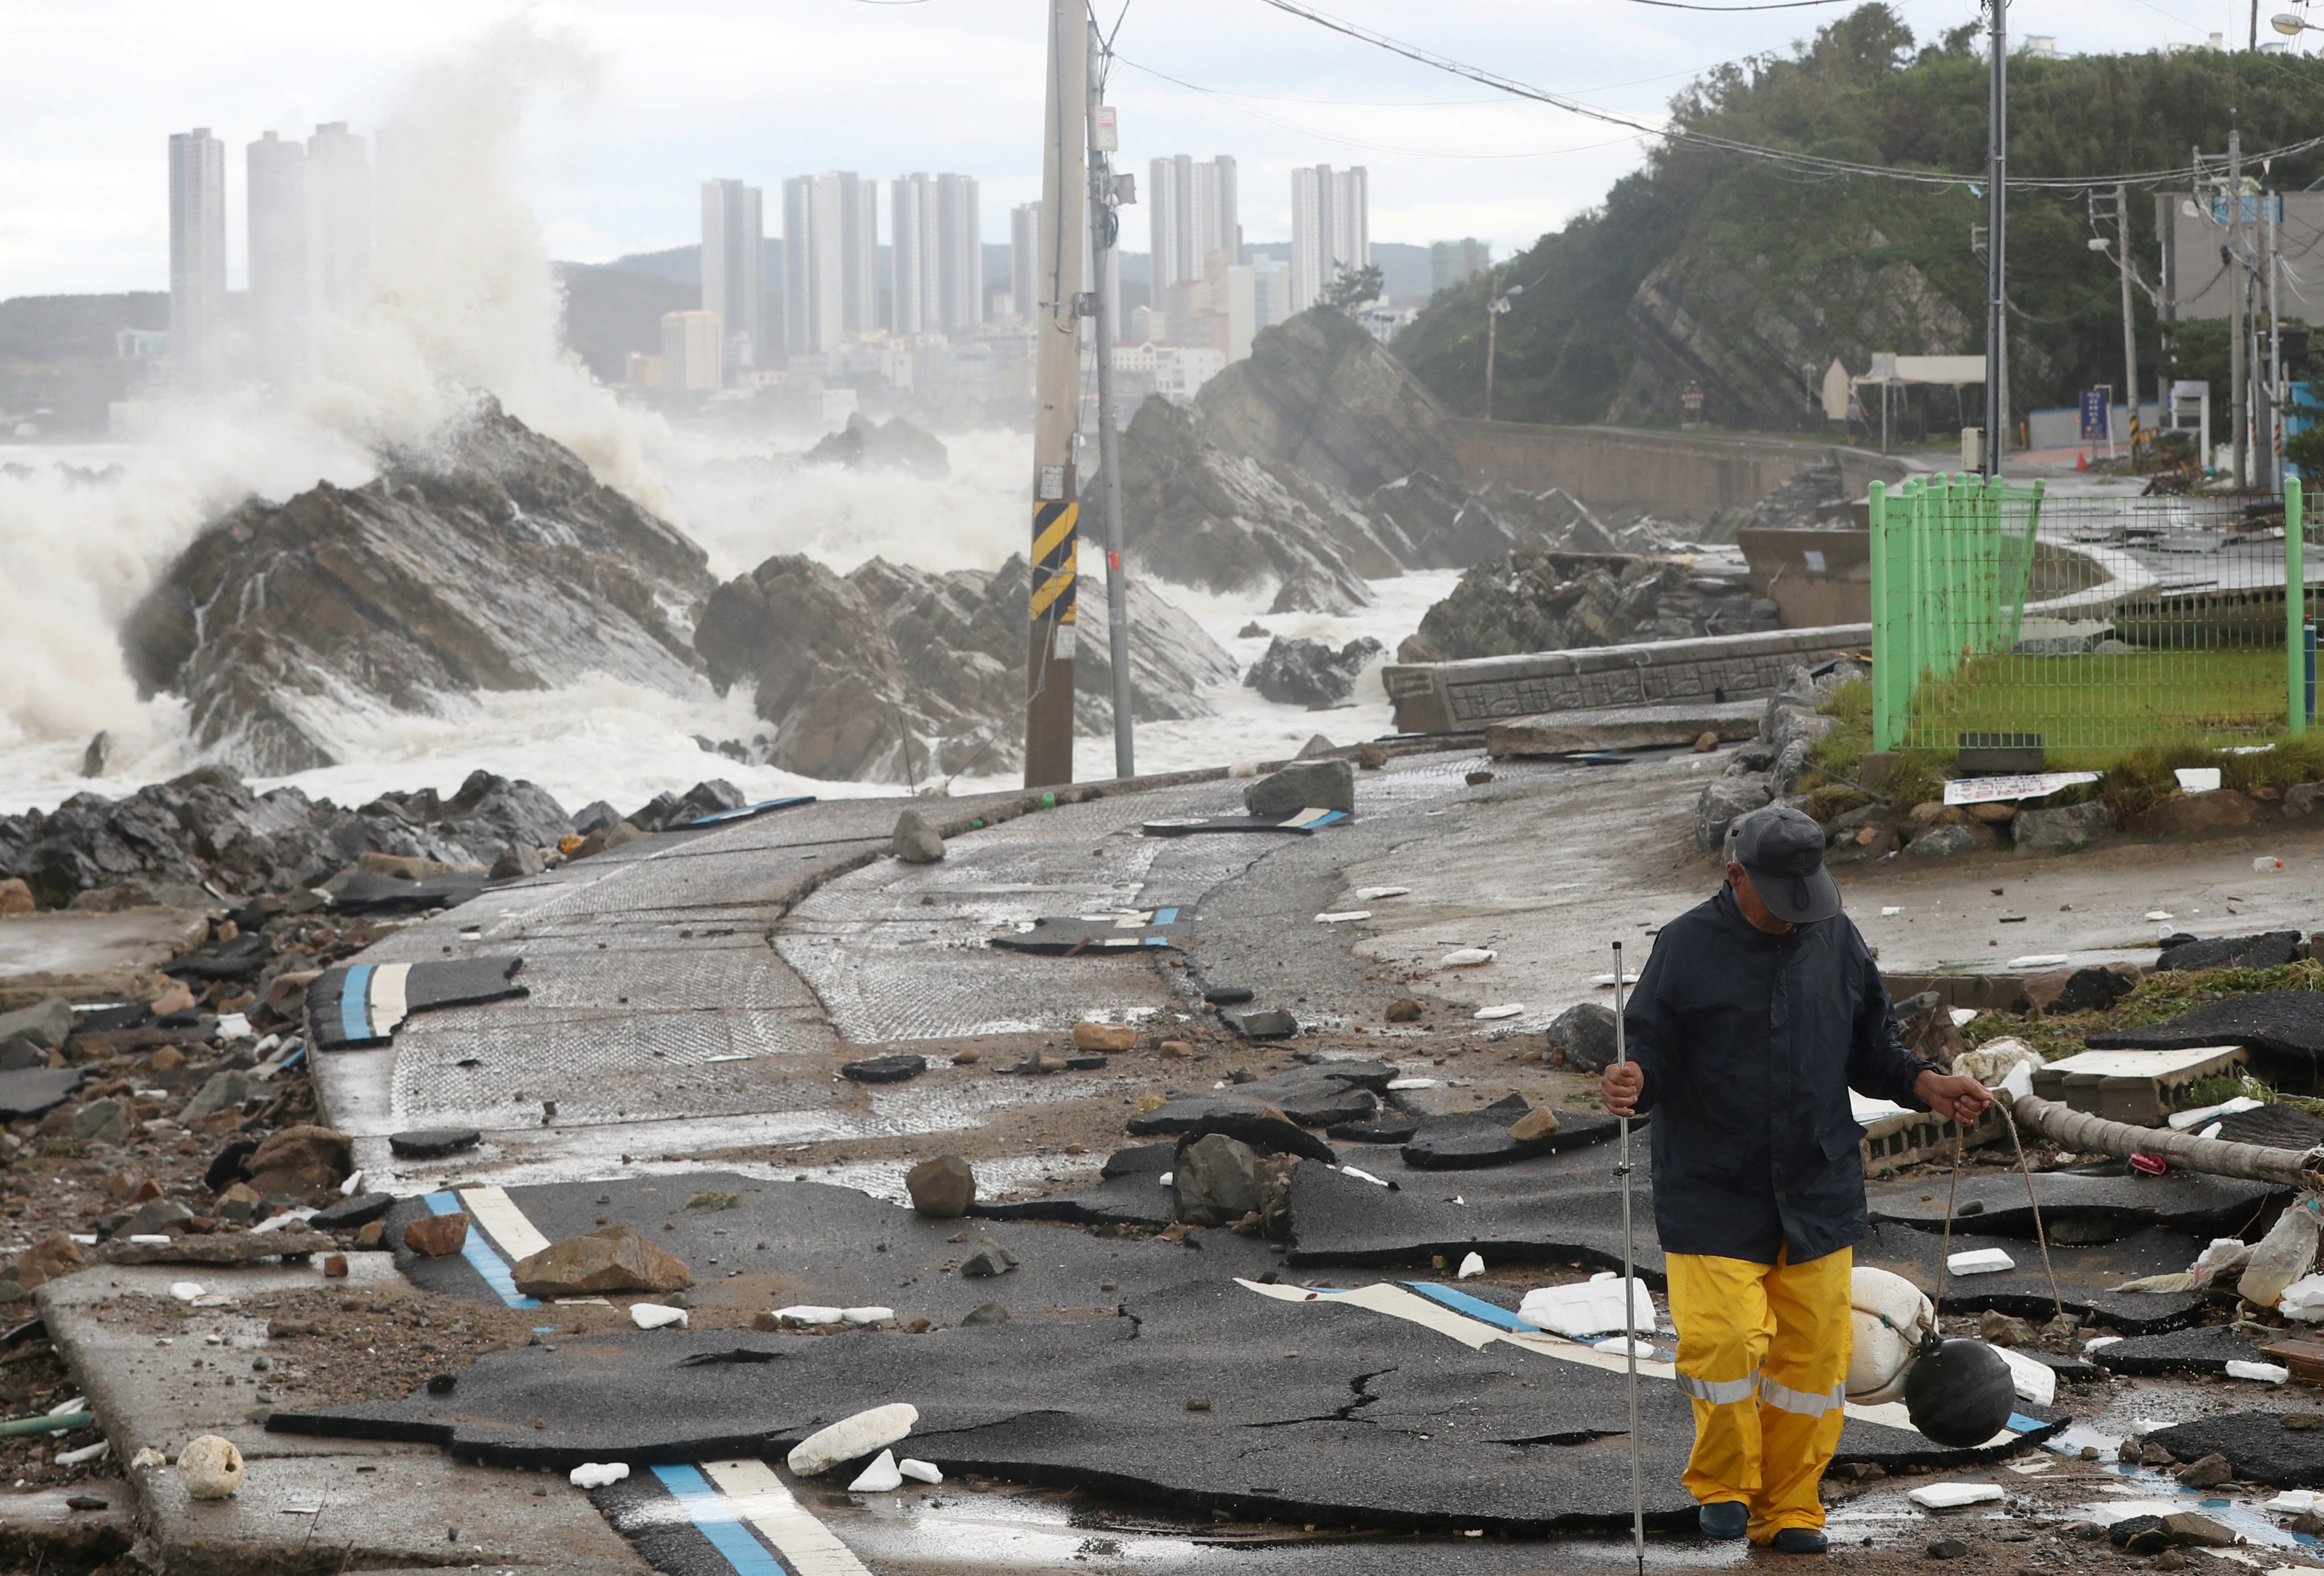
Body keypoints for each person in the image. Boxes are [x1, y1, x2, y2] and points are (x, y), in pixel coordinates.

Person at [1599, 805, 1993, 1554]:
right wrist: (1634, 1082)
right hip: (1711, 1187)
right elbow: (1649, 1053)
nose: (1792, 918)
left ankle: (1791, 1506)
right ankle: (1724, 1486)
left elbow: (1872, 1049)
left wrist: (1927, 1084)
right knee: (1724, 1345)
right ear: (1736, 875)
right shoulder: (1683, 948)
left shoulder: (1836, 939)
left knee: (1811, 1361)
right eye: (1777, 900)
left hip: (1817, 1183)